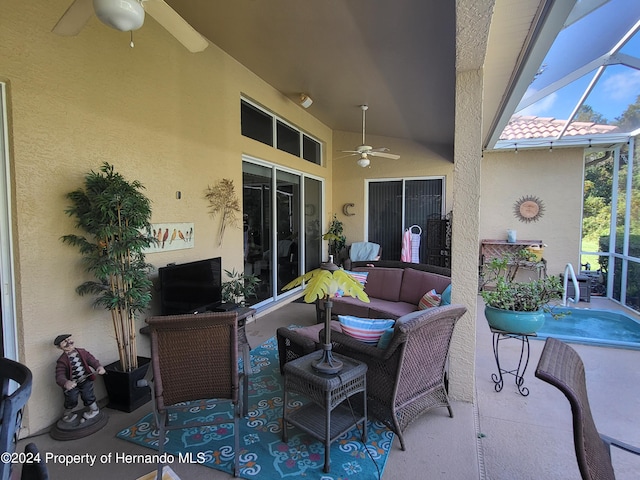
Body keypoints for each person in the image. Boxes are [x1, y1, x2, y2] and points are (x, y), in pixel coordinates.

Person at [54, 334, 106, 422]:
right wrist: (66, 382)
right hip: (72, 384)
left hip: (85, 380)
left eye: (69, 339)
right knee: (71, 399)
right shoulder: (62, 360)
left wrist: (98, 367)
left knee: (88, 395)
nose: (68, 343)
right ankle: (67, 414)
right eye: (64, 342)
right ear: (59, 347)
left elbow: (92, 360)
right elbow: (60, 375)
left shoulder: (82, 352)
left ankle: (94, 410)